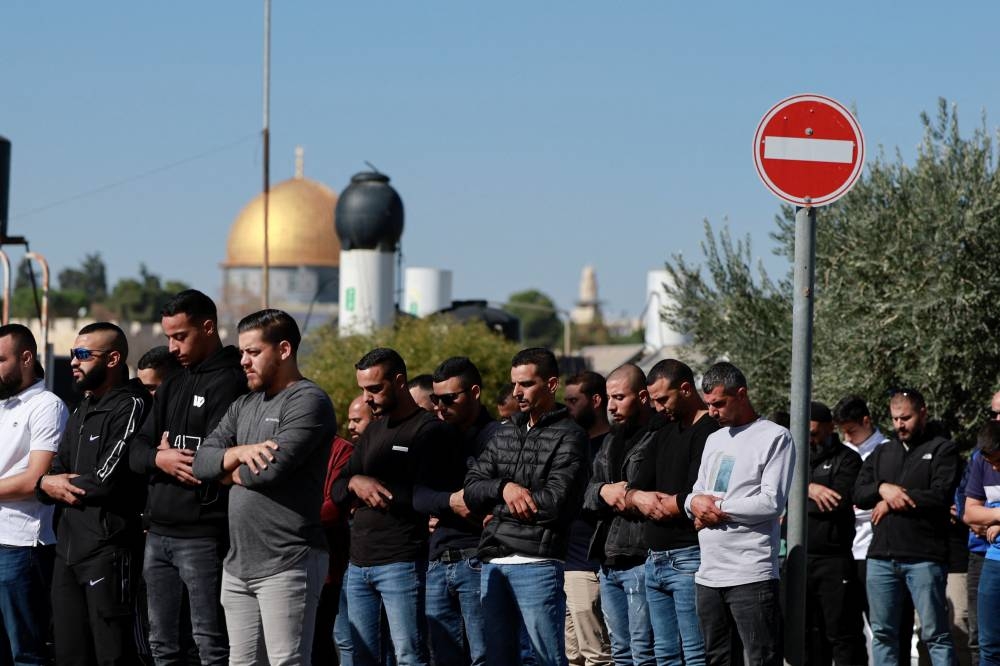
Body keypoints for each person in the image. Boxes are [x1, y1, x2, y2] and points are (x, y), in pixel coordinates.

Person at [192, 309, 335, 665]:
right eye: (242, 352)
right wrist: (240, 453)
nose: (243, 361)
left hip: (289, 561)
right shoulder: (244, 404)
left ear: (284, 350)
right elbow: (200, 461)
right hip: (238, 565)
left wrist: (226, 471)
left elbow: (269, 471)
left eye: (253, 352)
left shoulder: (308, 401)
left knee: (286, 661)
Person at [128, 289, 248, 666]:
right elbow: (136, 449)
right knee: (162, 645)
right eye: (168, 337)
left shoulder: (232, 381)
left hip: (203, 536)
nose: (172, 347)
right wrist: (159, 458)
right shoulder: (174, 383)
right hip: (158, 533)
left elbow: (213, 457)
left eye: (181, 336)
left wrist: (181, 459)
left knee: (209, 644)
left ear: (208, 327)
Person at [37, 322, 153, 666]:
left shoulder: (132, 405)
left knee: (112, 653)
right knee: (68, 652)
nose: (74, 361)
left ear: (113, 358)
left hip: (109, 551)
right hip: (68, 550)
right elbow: (52, 473)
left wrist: (54, 484)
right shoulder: (82, 409)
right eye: (73, 353)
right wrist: (45, 483)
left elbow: (105, 479)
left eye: (84, 354)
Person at [465, 347, 589, 666]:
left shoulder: (571, 436)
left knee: (545, 658)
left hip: (538, 563)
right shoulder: (506, 431)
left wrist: (497, 511)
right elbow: (472, 489)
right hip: (494, 560)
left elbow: (555, 504)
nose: (517, 392)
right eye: (515, 384)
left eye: (526, 384)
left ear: (551, 384)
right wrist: (504, 488)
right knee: (497, 659)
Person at [331, 347, 456, 666]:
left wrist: (376, 488)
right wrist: (356, 482)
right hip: (358, 565)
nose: (367, 397)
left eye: (374, 388)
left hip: (401, 563)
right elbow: (336, 488)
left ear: (399, 382)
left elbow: (426, 495)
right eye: (363, 389)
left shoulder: (429, 431)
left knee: (408, 656)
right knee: (362, 656)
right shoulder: (373, 430)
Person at [684, 361, 794, 666]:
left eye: (719, 403)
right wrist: (694, 504)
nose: (713, 412)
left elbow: (771, 502)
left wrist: (716, 509)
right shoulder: (713, 439)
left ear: (741, 394)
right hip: (708, 575)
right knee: (717, 659)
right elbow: (697, 491)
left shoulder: (775, 437)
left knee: (760, 658)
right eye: (708, 405)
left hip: (751, 574)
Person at [853, 388, 958, 666]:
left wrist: (893, 499)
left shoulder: (942, 449)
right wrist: (882, 488)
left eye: (906, 418)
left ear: (922, 413)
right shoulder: (882, 452)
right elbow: (859, 493)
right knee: (884, 634)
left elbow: (940, 495)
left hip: (924, 557)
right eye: (895, 418)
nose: (900, 424)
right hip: (881, 560)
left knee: (936, 635)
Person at [629, 358, 714, 666]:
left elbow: (694, 494)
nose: (658, 407)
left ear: (686, 389)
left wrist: (663, 502)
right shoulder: (663, 430)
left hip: (689, 556)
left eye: (663, 399)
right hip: (655, 556)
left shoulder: (710, 431)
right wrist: (640, 497)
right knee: (664, 653)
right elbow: (637, 487)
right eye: (653, 400)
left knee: (695, 653)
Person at [415, 356, 498, 666]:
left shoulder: (496, 437)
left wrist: (454, 502)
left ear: (474, 392)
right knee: (443, 657)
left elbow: (488, 498)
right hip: (438, 562)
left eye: (450, 398)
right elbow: (419, 496)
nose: (441, 406)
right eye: (436, 399)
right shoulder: (435, 437)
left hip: (477, 559)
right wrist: (452, 502)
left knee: (484, 654)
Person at [0, 324, 68, 665]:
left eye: (0, 359)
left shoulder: (47, 406)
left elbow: (35, 480)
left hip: (20, 545)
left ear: (26, 358)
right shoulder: (3, 405)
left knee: (25, 651)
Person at [582, 364, 656, 666]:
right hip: (609, 557)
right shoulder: (611, 440)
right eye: (608, 398)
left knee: (644, 650)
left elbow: (653, 494)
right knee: (620, 651)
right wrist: (604, 492)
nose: (611, 406)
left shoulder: (658, 436)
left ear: (642, 397)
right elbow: (585, 495)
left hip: (641, 555)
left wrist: (626, 495)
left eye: (619, 397)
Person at [805, 401, 866, 666]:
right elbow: (778, 497)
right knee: (807, 635)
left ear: (831, 428)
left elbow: (837, 502)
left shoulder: (848, 459)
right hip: (800, 561)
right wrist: (808, 488)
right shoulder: (794, 460)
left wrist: (797, 497)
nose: (810, 439)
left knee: (843, 633)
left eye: (815, 433)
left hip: (835, 560)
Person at [562, 372, 612, 666]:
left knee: (597, 654)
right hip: (565, 562)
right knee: (573, 656)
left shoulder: (613, 445)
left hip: (588, 564)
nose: (567, 406)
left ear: (595, 401)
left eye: (573, 400)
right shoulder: (571, 444)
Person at [314, 431, 355, 666]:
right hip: (288, 560)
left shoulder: (341, 449)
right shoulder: (286, 445)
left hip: (329, 564)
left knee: (328, 640)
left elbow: (335, 507)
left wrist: (292, 518)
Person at [962, 421, 1000, 666]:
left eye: (999, 460)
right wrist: (997, 516)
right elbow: (970, 515)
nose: (995, 466)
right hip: (994, 560)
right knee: (988, 644)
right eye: (990, 462)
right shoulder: (979, 461)